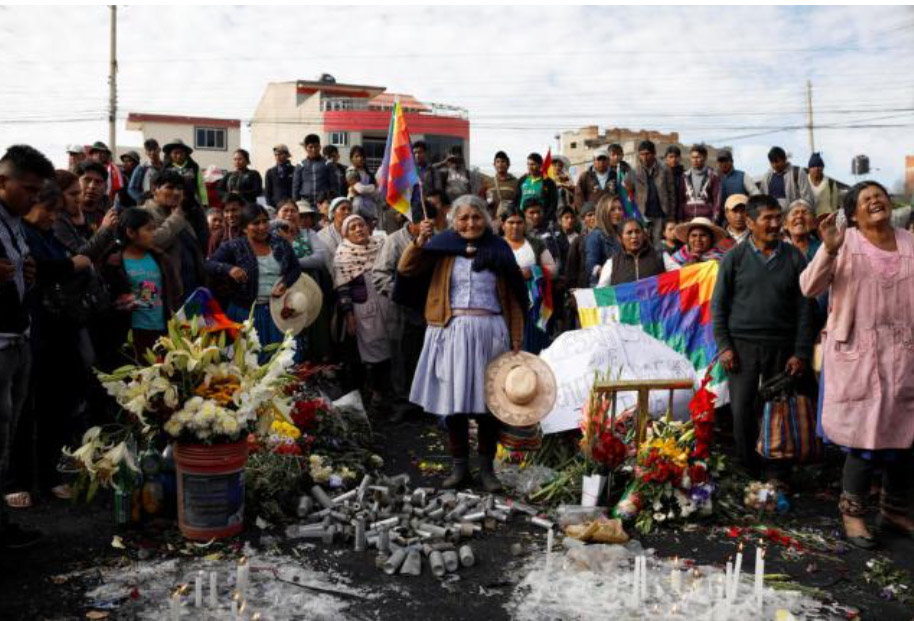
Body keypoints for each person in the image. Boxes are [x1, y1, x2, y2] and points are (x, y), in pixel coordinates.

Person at [800, 181, 914, 547]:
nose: (875, 201)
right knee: (864, 438)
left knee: (905, 436)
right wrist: (828, 251)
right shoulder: (843, 242)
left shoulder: (910, 242)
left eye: (879, 195)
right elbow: (809, 287)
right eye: (866, 200)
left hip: (903, 356)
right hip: (859, 356)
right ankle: (853, 514)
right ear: (852, 214)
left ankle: (894, 509)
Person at [397, 195, 527, 492]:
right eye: (464, 217)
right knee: (453, 403)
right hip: (451, 331)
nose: (471, 223)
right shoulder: (440, 246)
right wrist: (419, 241)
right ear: (454, 221)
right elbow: (406, 270)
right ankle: (459, 468)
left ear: (487, 219)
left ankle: (486, 469)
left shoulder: (499, 250)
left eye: (477, 216)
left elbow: (514, 299)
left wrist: (517, 339)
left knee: (489, 405)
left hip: (490, 332)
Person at [712, 194, 815, 480]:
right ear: (749, 222)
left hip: (783, 347)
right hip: (742, 347)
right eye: (766, 218)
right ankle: (747, 471)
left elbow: (806, 308)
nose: (774, 224)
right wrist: (725, 347)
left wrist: (801, 352)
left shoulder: (794, 256)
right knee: (743, 410)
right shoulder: (734, 257)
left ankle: (776, 473)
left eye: (776, 217)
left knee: (779, 411)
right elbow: (718, 305)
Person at [20, 180, 93, 498]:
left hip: (60, 331)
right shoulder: (19, 234)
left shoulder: (48, 235)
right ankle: (17, 482)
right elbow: (37, 268)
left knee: (55, 407)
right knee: (24, 412)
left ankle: (49, 475)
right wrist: (70, 264)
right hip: (30, 333)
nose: (52, 217)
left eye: (55, 211)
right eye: (48, 210)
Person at [0, 144, 57, 549]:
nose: (34, 198)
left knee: (6, 435)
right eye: (28, 189)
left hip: (18, 338)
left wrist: (29, 273)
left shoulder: (16, 223)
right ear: (2, 181)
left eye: (38, 191)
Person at [206, 203, 301, 352]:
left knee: (280, 360)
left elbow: (295, 268)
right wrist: (229, 269)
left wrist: (285, 283)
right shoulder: (234, 246)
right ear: (244, 228)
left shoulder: (280, 243)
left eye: (265, 221)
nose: (262, 226)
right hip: (245, 313)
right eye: (256, 223)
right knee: (249, 361)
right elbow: (209, 264)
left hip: (277, 312)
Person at [373, 202, 435, 423]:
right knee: (400, 357)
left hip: (427, 309)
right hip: (399, 310)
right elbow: (380, 274)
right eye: (425, 224)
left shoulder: (435, 240)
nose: (429, 228)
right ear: (413, 222)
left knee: (424, 356)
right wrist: (400, 294)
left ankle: (424, 403)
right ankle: (401, 402)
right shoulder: (393, 241)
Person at [102, 207, 181, 359]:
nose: (154, 234)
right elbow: (110, 301)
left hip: (162, 331)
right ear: (131, 233)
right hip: (133, 333)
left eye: (154, 229)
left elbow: (175, 291)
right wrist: (132, 299)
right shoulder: (114, 262)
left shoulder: (160, 258)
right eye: (148, 229)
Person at [334, 214, 391, 415]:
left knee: (393, 346)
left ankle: (390, 393)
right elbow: (342, 288)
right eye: (353, 227)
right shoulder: (343, 254)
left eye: (361, 225)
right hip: (364, 310)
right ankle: (376, 394)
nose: (359, 229)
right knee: (373, 352)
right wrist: (349, 315)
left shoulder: (383, 245)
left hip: (387, 303)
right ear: (345, 234)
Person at [141, 169, 206, 295]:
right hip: (162, 292)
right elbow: (151, 242)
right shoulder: (143, 214)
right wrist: (176, 219)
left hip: (191, 289)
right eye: (169, 187)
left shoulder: (180, 213)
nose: (176, 193)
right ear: (154, 189)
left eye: (179, 188)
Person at [502, 204, 556, 354]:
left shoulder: (536, 244)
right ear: (503, 225)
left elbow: (553, 269)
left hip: (532, 306)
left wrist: (533, 272)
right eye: (511, 222)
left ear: (525, 224)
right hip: (503, 303)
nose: (515, 226)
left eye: (519, 222)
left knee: (530, 348)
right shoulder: (496, 245)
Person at [53, 166, 118, 261]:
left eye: (98, 182)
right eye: (87, 180)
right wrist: (105, 229)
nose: (92, 186)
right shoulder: (56, 219)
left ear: (105, 187)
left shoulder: (109, 210)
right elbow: (80, 256)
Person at [597, 218, 666, 287]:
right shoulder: (612, 264)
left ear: (644, 235)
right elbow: (601, 292)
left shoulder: (661, 257)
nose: (634, 236)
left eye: (637, 232)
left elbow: (676, 278)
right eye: (629, 233)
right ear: (620, 238)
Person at [633, 140, 676, 245]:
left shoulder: (665, 170)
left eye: (647, 154)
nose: (644, 157)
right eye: (642, 154)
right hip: (643, 215)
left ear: (654, 154)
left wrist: (671, 215)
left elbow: (672, 194)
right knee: (644, 244)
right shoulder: (635, 171)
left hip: (660, 214)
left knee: (659, 245)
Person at [275, 199, 329, 271]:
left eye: (293, 211)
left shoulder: (308, 233)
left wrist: (294, 263)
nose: (289, 214)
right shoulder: (271, 235)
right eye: (285, 210)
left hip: (307, 279)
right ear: (276, 215)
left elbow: (320, 257)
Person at [584, 194, 624, 285]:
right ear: (603, 212)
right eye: (613, 209)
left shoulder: (624, 233)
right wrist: (606, 273)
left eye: (620, 209)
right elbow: (591, 266)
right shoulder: (596, 236)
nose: (617, 212)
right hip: (606, 291)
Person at [759, 146, 814, 211]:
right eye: (772, 162)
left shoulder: (798, 172)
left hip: (793, 216)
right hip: (774, 216)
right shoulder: (767, 176)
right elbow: (762, 197)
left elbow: (807, 197)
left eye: (777, 161)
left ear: (784, 159)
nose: (774, 165)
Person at [679, 144, 721, 223]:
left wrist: (715, 219)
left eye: (698, 157)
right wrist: (680, 219)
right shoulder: (684, 176)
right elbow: (681, 200)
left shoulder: (713, 176)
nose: (695, 160)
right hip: (688, 219)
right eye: (693, 157)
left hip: (706, 219)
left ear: (704, 158)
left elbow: (717, 200)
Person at [293, 134, 339, 206]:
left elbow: (334, 186)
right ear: (305, 148)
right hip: (305, 203)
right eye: (310, 147)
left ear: (320, 147)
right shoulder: (300, 165)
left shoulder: (328, 164)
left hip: (323, 203)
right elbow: (295, 187)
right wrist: (296, 203)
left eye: (316, 146)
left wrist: (332, 201)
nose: (313, 150)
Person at [162, 139, 208, 208]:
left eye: (181, 153)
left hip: (190, 203)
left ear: (185, 154)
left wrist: (204, 203)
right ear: (170, 154)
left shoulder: (194, 167)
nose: (178, 156)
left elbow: (201, 185)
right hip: (171, 204)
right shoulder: (166, 168)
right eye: (175, 153)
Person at [515, 153, 559, 224]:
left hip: (542, 220)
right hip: (524, 220)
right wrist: (520, 216)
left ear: (540, 165)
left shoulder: (548, 182)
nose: (530, 167)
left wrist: (545, 218)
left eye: (533, 164)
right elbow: (516, 200)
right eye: (528, 164)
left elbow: (553, 203)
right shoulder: (522, 180)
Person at [716, 150, 760, 215]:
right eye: (721, 161)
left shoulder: (742, 176)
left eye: (726, 161)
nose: (723, 164)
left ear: (732, 161)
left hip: (741, 215)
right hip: (721, 218)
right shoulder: (714, 178)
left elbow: (756, 194)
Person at [565, 202, 597, 290]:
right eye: (590, 215)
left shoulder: (607, 237)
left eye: (595, 214)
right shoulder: (578, 241)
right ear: (583, 219)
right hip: (584, 286)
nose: (593, 218)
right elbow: (571, 267)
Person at [346, 145, 381, 223]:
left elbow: (376, 193)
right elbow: (360, 189)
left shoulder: (369, 173)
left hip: (369, 208)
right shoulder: (351, 171)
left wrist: (369, 190)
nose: (360, 158)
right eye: (357, 156)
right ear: (351, 159)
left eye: (362, 156)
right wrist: (372, 187)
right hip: (355, 207)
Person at [317, 197, 353, 270]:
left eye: (349, 209)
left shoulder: (355, 232)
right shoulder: (322, 235)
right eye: (343, 209)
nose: (347, 212)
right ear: (333, 213)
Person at [127, 138, 164, 205]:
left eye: (154, 149)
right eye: (149, 150)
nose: (152, 153)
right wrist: (141, 198)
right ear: (146, 152)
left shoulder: (165, 167)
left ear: (159, 149)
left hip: (163, 202)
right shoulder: (141, 168)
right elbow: (131, 189)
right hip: (146, 205)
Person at [207, 192, 244, 257]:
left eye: (234, 210)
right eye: (226, 211)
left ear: (243, 209)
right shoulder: (217, 238)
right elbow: (211, 264)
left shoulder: (254, 232)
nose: (230, 215)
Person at [484, 151, 518, 217]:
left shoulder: (515, 182)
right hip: (492, 220)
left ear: (508, 164)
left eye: (503, 162)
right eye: (498, 162)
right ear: (494, 164)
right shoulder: (488, 182)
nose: (500, 164)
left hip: (508, 221)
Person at [264, 144, 295, 209]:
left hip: (291, 205)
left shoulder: (294, 170)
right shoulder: (270, 172)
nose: (278, 157)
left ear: (287, 155)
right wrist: (271, 205)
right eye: (276, 155)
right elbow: (267, 192)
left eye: (280, 154)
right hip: (275, 206)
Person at [665, 144, 686, 218]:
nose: (673, 159)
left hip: (682, 213)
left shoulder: (685, 175)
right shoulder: (662, 175)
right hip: (665, 212)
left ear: (680, 158)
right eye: (671, 157)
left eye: (676, 157)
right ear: (666, 158)